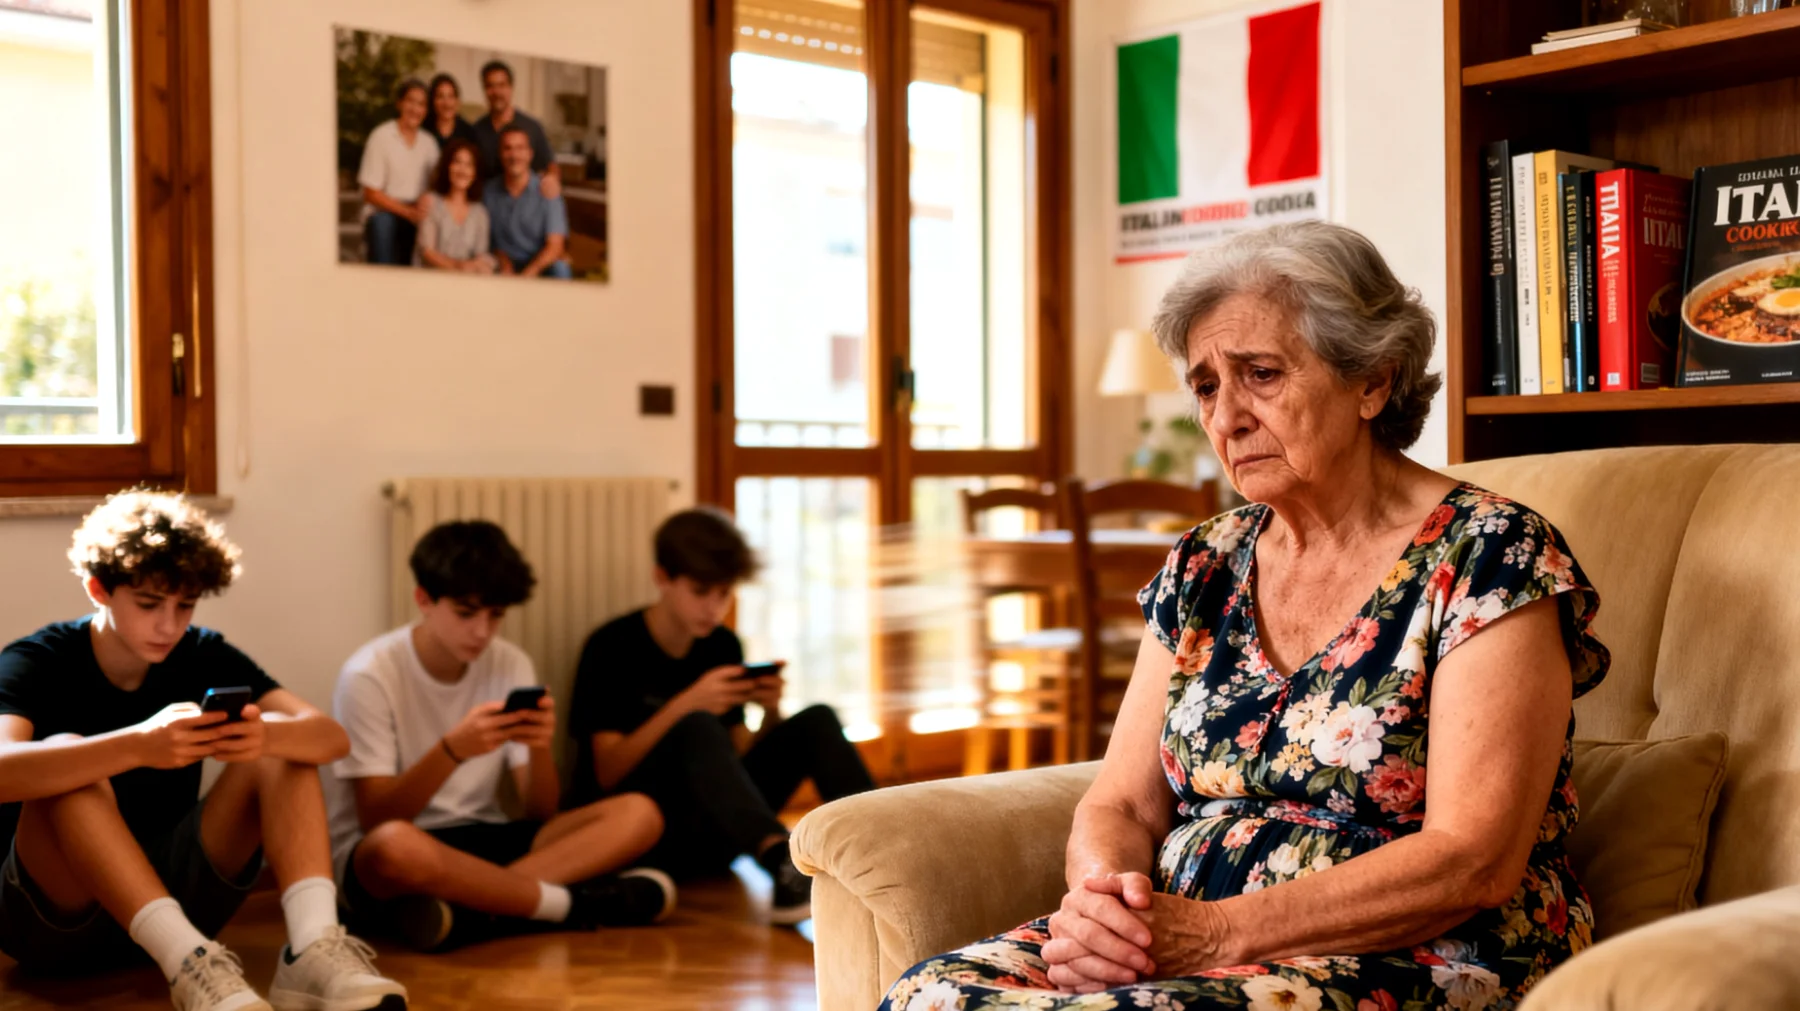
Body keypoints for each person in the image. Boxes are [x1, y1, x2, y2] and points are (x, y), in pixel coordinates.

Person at [881, 222, 1611, 1010]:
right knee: (935, 994)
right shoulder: (1205, 562)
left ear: (1371, 381)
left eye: (1260, 374)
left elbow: (1471, 858)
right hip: (1182, 938)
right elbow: (1122, 802)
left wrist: (1218, 931)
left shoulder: (1490, 551)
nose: (1225, 417)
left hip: (1417, 948)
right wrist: (1107, 905)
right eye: (1205, 386)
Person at [0, 491, 405, 1011]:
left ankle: (313, 951)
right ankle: (187, 964)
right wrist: (136, 745)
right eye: (149, 605)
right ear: (99, 589)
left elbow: (330, 738)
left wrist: (263, 737)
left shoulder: (201, 651)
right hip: (53, 918)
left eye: (184, 605)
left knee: (278, 737)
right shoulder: (39, 659)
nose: (170, 625)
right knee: (67, 756)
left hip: (180, 898)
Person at [327, 520, 674, 954]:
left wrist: (538, 745)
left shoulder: (510, 663)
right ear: (424, 600)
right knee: (394, 847)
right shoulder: (370, 674)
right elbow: (376, 819)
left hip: (484, 838)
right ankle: (571, 904)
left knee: (640, 813)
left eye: (496, 615)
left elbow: (539, 811)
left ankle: (476, 908)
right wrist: (451, 752)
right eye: (466, 613)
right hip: (402, 848)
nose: (482, 632)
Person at [565, 507, 877, 926]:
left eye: (724, 594)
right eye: (700, 592)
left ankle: (881, 853)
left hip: (719, 826)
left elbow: (732, 763)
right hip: (647, 833)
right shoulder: (612, 647)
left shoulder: (721, 645)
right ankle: (779, 860)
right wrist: (686, 704)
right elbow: (607, 772)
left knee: (817, 719)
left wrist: (769, 712)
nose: (713, 608)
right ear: (663, 578)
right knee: (696, 726)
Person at [356, 77, 440, 267]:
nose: (415, 109)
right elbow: (370, 193)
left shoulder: (429, 144)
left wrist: (421, 206)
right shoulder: (381, 136)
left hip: (416, 214)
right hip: (384, 212)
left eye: (421, 104)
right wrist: (407, 212)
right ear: (399, 103)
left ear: (426, 110)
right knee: (382, 224)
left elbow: (435, 185)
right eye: (410, 101)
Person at [483, 125, 570, 279]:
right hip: (502, 264)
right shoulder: (488, 191)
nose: (514, 155)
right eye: (507, 148)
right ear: (500, 154)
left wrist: (527, 275)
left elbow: (555, 246)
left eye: (520, 148)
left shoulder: (548, 190)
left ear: (530, 154)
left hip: (538, 263)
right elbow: (487, 240)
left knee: (561, 269)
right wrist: (503, 260)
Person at [469, 60, 560, 199]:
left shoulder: (532, 127)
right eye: (490, 86)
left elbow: (550, 165)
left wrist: (552, 179)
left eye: (501, 85)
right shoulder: (476, 131)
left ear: (510, 88)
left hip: (526, 205)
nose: (496, 92)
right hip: (489, 205)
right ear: (485, 90)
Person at [416, 139, 495, 274]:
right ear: (447, 166)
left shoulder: (480, 213)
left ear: (474, 173)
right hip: (432, 280)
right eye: (457, 162)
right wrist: (459, 268)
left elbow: (480, 255)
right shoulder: (431, 202)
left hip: (467, 283)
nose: (462, 170)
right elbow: (427, 252)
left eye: (469, 165)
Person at [422, 73, 478, 153]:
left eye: (451, 96)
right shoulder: (424, 130)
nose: (446, 103)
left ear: (457, 101)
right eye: (440, 96)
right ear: (432, 101)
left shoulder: (468, 133)